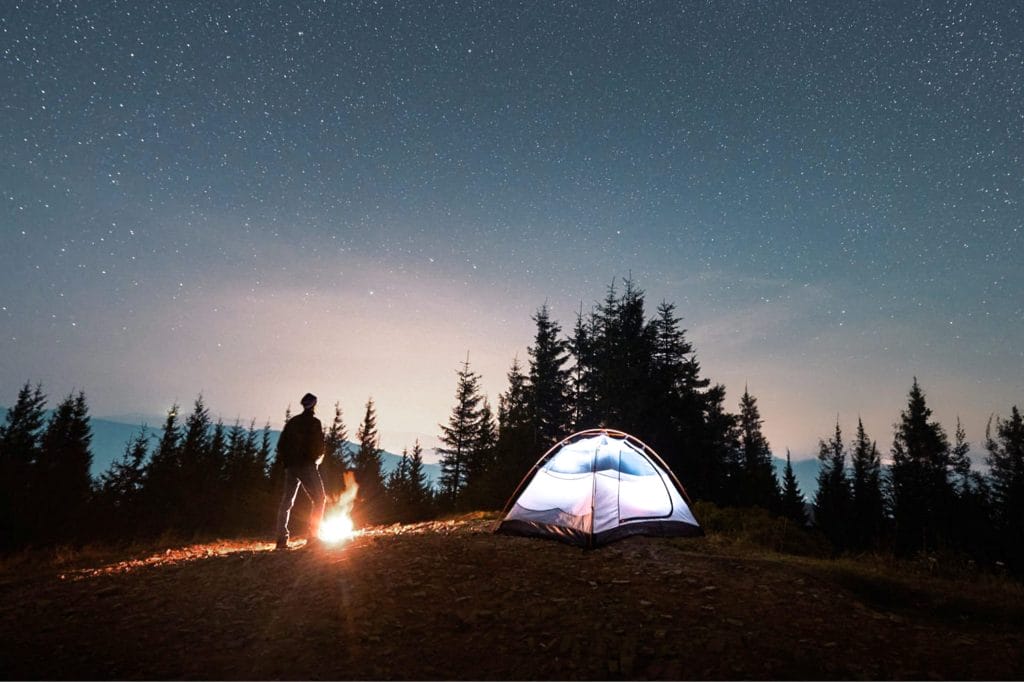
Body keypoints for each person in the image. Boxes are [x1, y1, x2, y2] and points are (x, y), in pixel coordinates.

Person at [275, 392, 327, 549]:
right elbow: (319, 445)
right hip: (307, 466)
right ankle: (313, 537)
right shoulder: (314, 423)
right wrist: (314, 459)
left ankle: (281, 540)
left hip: (291, 467)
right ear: (314, 405)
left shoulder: (292, 422)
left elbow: (280, 445)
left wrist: (287, 463)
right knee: (319, 498)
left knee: (287, 501)